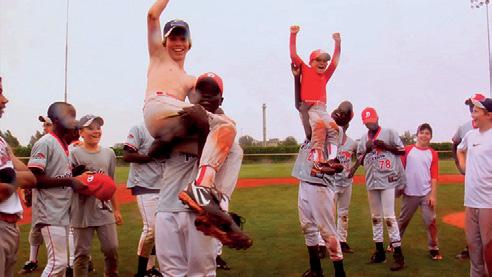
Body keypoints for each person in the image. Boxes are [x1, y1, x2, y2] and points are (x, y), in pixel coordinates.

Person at [154, 72, 248, 276]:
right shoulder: (177, 119)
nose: (205, 97)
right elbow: (153, 152)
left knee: (202, 272)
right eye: (200, 92)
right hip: (167, 205)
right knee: (170, 272)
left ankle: (215, 206)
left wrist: (203, 125)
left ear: (220, 100)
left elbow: (204, 157)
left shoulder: (225, 129)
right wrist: (178, 130)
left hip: (200, 213)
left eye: (212, 93)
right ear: (191, 97)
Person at [144, 0, 237, 193]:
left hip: (173, 120)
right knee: (224, 124)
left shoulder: (190, 80)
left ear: (189, 43)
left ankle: (215, 198)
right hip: (157, 106)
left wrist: (222, 116)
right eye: (173, 39)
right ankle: (159, 146)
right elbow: (153, 15)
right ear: (164, 42)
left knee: (233, 148)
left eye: (182, 39)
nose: (178, 43)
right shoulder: (159, 57)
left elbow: (208, 103)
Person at [291, 64, 347, 277]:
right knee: (308, 227)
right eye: (337, 110)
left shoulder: (334, 130)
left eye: (342, 113)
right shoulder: (317, 125)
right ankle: (316, 269)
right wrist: (297, 78)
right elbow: (301, 105)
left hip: (320, 186)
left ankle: (339, 272)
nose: (337, 113)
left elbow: (302, 108)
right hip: (305, 182)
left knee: (327, 231)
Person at [28, 102, 87, 276]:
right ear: (54, 120)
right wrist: (70, 181)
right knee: (58, 263)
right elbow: (34, 179)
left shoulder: (63, 145)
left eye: (73, 116)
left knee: (59, 264)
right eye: (68, 116)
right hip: (49, 210)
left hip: (60, 209)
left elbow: (58, 174)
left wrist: (74, 174)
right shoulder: (46, 142)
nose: (72, 120)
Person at [69, 115, 122, 276]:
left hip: (104, 210)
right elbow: (67, 182)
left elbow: (110, 184)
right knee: (82, 255)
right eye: (90, 128)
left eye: (98, 127)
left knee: (111, 249)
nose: (96, 131)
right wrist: (83, 180)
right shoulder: (73, 154)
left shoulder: (109, 153)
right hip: (82, 211)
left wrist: (117, 210)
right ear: (81, 132)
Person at [355, 107, 406, 271]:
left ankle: (398, 255)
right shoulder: (363, 139)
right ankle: (379, 252)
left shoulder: (390, 132)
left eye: (372, 121)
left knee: (389, 217)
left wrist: (386, 146)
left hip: (387, 180)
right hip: (372, 180)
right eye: (367, 122)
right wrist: (368, 149)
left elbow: (402, 150)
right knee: (375, 217)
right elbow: (360, 161)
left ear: (377, 118)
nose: (370, 124)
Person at [289, 25, 342, 173]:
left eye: (324, 61)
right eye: (319, 60)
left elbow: (335, 62)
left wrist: (338, 43)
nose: (323, 63)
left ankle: (331, 159)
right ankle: (317, 161)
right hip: (309, 107)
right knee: (318, 127)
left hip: (322, 108)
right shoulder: (306, 70)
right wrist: (293, 34)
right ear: (311, 62)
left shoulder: (324, 76)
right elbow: (293, 55)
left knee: (334, 128)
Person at [0, 76, 37, 277]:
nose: (5, 100)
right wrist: (10, 180)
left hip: (10, 227)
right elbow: (2, 192)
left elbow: (31, 178)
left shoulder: (1, 141)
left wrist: (8, 177)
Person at [123, 123, 165, 277]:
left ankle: (149, 268)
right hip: (144, 184)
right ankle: (141, 272)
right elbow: (127, 155)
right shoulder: (139, 128)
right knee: (151, 229)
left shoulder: (168, 131)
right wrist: (151, 156)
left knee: (159, 230)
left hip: (164, 185)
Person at [457, 97, 492, 277]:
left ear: (489, 115)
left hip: (489, 203)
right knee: (473, 247)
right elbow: (460, 149)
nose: (473, 114)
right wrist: (463, 166)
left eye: (477, 111)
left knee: (489, 250)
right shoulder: (471, 135)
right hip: (470, 201)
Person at [397, 123, 442, 260]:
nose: (424, 135)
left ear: (431, 137)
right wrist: (399, 188)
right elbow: (400, 170)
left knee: (430, 221)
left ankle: (434, 248)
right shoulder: (407, 150)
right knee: (402, 221)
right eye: (422, 132)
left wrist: (433, 195)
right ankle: (395, 243)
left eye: (427, 133)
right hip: (410, 193)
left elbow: (434, 176)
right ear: (417, 134)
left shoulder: (432, 154)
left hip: (426, 194)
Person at [452, 93, 486, 260]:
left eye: (475, 106)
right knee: (473, 227)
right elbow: (456, 145)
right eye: (469, 106)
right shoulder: (466, 128)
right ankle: (469, 249)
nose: (471, 109)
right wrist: (460, 165)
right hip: (473, 189)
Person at [332, 105, 357, 254]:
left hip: (346, 182)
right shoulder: (331, 140)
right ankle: (324, 243)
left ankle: (342, 241)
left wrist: (353, 170)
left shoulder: (352, 143)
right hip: (332, 182)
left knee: (344, 212)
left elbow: (361, 154)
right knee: (328, 214)